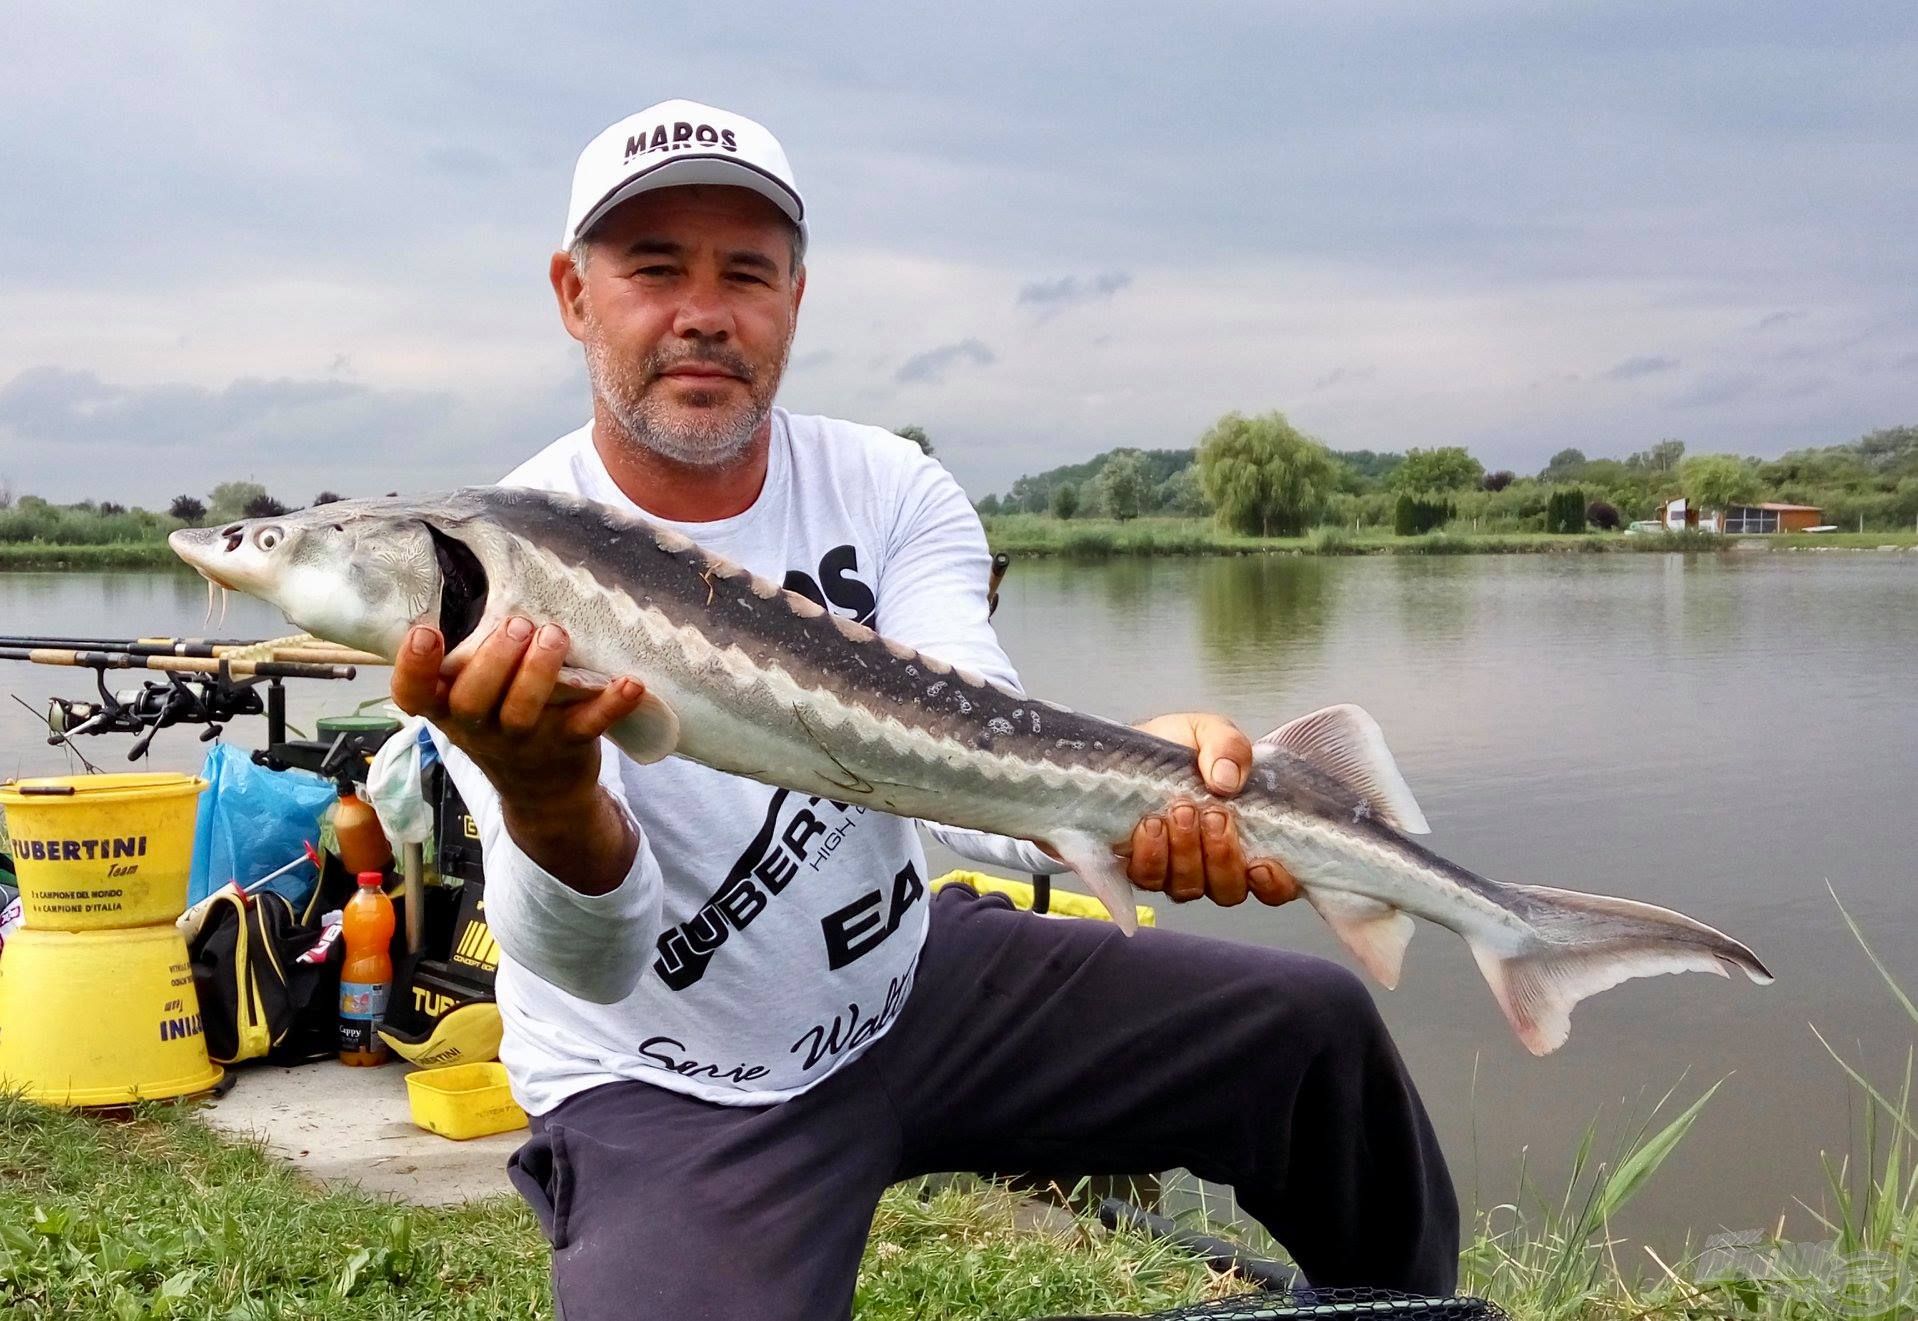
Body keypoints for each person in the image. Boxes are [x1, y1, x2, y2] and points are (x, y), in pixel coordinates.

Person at [391, 99, 1458, 1320]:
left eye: (746, 271)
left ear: (794, 298)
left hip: (908, 988)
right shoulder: (491, 566)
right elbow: (591, 957)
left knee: (1310, 1029)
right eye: (652, 269)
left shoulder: (888, 484)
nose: (701, 311)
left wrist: (1140, 774)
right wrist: (541, 788)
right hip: (663, 1076)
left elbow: (984, 765)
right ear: (573, 295)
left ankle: (1407, 1306)